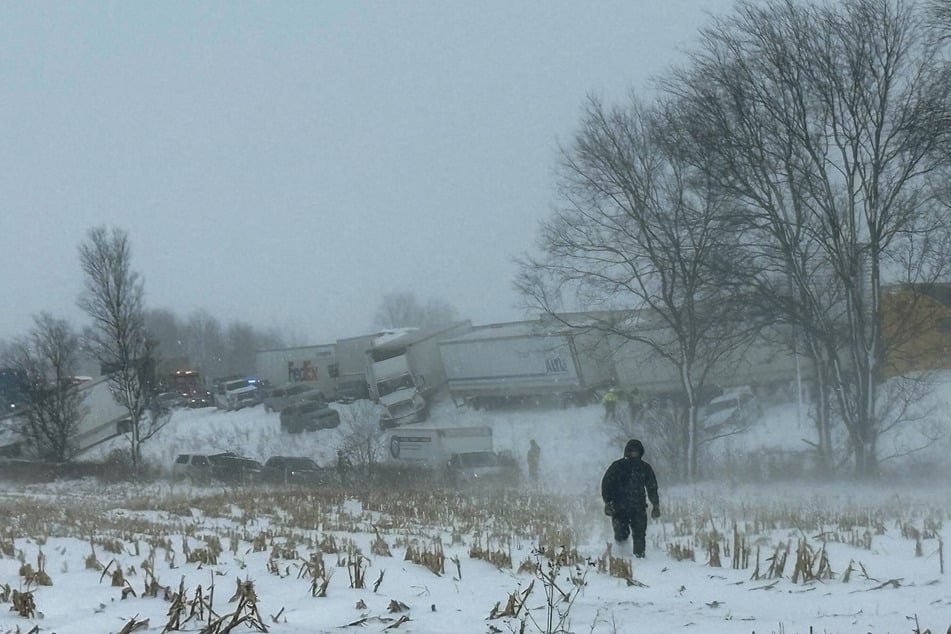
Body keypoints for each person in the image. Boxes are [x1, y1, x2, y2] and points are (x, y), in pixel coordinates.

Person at [600, 439, 660, 558]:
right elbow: (606, 484)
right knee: (621, 535)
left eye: (636, 451)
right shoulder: (617, 466)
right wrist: (608, 502)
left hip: (639, 508)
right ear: (627, 451)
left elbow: (652, 487)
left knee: (640, 534)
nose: (633, 454)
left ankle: (640, 558)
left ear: (640, 452)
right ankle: (622, 557)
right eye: (631, 451)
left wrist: (656, 505)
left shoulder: (645, 468)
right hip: (619, 508)